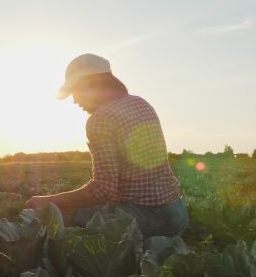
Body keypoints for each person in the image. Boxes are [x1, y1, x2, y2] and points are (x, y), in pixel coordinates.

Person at [24, 53, 188, 238]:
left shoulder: (100, 119)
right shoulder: (141, 103)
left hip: (143, 220)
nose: (75, 101)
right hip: (176, 216)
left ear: (95, 83)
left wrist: (47, 201)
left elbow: (103, 190)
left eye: (76, 91)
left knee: (58, 216)